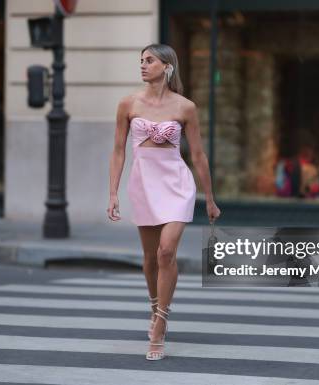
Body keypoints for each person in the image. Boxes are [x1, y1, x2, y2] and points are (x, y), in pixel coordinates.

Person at [107, 44, 220, 361]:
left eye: (150, 60)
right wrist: (113, 192)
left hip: (176, 184)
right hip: (143, 184)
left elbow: (197, 155)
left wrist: (209, 198)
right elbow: (118, 150)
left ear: (167, 67)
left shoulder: (186, 107)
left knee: (166, 251)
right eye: (141, 60)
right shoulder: (128, 104)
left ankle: (161, 323)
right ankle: (154, 306)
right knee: (149, 258)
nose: (143, 65)